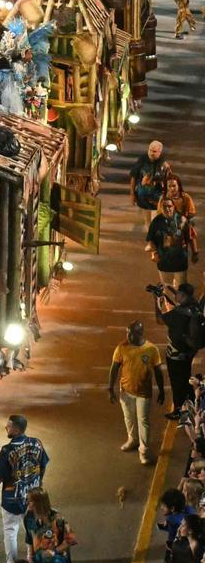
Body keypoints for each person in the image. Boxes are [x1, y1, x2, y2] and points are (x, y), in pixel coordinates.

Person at [0, 414, 49, 563]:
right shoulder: (37, 443)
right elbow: (43, 465)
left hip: (12, 499)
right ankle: (34, 561)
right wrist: (38, 483)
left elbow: (0, 475)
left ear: (15, 429)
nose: (5, 428)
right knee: (34, 529)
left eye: (8, 426)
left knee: (10, 530)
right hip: (33, 497)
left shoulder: (7, 450)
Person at [109, 319, 166, 465]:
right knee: (129, 418)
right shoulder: (122, 347)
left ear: (140, 333)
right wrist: (111, 388)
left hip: (144, 393)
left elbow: (158, 371)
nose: (128, 336)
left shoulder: (151, 349)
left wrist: (161, 390)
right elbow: (114, 368)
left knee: (143, 421)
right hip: (126, 391)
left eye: (131, 334)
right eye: (127, 333)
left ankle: (144, 451)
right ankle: (133, 440)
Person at [156, 283, 201, 414]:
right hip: (188, 352)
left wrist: (156, 301)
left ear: (183, 295)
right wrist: (170, 289)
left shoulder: (178, 314)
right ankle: (192, 405)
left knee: (177, 384)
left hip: (176, 354)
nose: (176, 296)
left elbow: (159, 319)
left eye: (178, 294)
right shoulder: (194, 305)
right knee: (186, 380)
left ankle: (179, 410)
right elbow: (181, 297)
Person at [146, 196, 196, 289]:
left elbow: (191, 237)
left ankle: (179, 303)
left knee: (181, 288)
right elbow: (151, 239)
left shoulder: (182, 219)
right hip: (164, 261)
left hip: (180, 260)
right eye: (164, 206)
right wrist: (154, 253)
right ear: (161, 207)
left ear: (174, 206)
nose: (167, 209)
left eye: (169, 206)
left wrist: (194, 253)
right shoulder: (156, 222)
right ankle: (168, 303)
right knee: (167, 287)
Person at [130, 141, 172, 214]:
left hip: (157, 196)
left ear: (159, 152)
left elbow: (169, 176)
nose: (151, 153)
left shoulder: (162, 162)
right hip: (142, 196)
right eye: (150, 150)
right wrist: (132, 194)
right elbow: (133, 177)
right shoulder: (142, 160)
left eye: (154, 151)